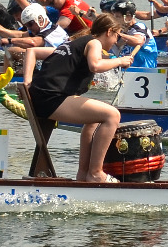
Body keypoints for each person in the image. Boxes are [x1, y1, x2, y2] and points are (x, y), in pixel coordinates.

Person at [24, 13, 133, 183]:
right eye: (117, 36)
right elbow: (95, 65)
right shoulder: (94, 42)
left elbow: (31, 52)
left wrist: (28, 82)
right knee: (112, 115)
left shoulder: (74, 43)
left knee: (94, 120)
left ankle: (83, 175)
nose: (116, 41)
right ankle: (96, 173)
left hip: (43, 98)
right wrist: (120, 61)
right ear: (110, 31)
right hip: (50, 100)